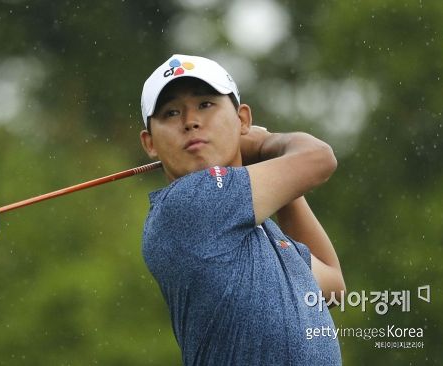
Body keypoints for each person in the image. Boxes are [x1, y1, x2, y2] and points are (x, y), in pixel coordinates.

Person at [139, 54, 345, 365]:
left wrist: (279, 181)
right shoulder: (192, 203)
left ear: (242, 119)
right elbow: (320, 158)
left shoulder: (257, 227)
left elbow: (332, 287)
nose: (190, 121)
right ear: (150, 143)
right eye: (171, 113)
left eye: (205, 104)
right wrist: (264, 145)